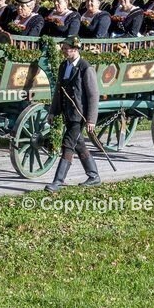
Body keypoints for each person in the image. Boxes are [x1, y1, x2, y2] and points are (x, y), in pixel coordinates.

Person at [46, 36, 101, 193]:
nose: (63, 51)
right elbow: (59, 91)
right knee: (79, 144)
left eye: (66, 49)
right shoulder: (64, 66)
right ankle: (94, 176)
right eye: (63, 48)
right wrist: (53, 111)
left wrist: (91, 119)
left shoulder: (85, 68)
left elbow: (93, 95)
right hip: (67, 113)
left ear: (75, 49)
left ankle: (57, 182)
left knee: (68, 144)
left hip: (80, 114)